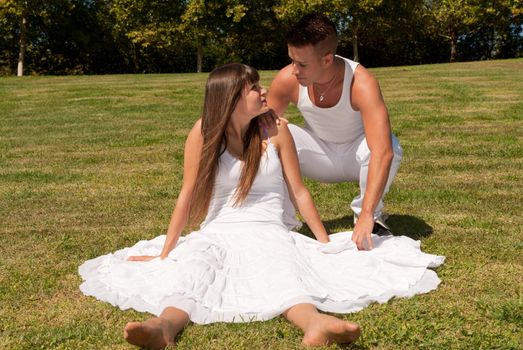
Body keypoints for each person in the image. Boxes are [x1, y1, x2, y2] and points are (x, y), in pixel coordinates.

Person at [79, 63, 444, 349]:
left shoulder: (277, 131)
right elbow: (187, 194)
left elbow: (299, 193)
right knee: (199, 264)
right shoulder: (204, 131)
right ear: (231, 100)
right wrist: (166, 251)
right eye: (253, 87)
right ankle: (164, 326)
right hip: (219, 230)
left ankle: (315, 323)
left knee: (280, 266)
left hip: (270, 228)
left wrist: (323, 243)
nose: (263, 90)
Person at [267, 13, 403, 251]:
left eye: (302, 64)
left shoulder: (361, 82)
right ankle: (285, 222)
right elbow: (255, 129)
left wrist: (367, 213)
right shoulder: (287, 79)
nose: (294, 70)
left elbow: (382, 152)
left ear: (327, 59)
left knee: (390, 146)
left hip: (357, 155)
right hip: (317, 153)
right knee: (271, 134)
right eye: (291, 61)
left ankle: (368, 217)